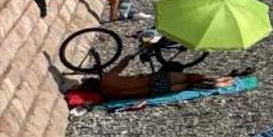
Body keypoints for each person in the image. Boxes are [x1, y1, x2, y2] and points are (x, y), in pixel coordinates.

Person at [78, 50, 244, 101]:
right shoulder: (107, 77)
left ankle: (219, 84)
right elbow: (122, 64)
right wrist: (128, 57)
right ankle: (219, 79)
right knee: (191, 77)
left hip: (154, 92)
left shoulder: (107, 94)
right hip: (155, 79)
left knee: (188, 86)